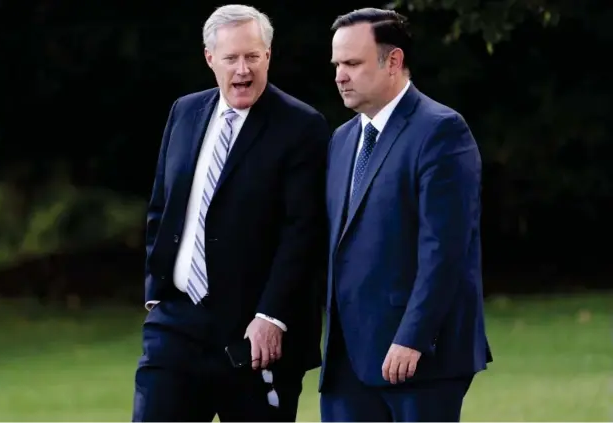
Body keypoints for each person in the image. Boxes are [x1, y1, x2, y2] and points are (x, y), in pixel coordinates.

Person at [131, 4, 329, 422]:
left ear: (268, 56)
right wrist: (157, 290)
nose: (243, 69)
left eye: (253, 57)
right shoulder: (184, 112)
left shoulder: (301, 127)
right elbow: (162, 208)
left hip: (254, 336)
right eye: (231, 58)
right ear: (210, 59)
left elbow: (304, 233)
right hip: (175, 325)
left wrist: (271, 316)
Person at [319, 8, 493, 422]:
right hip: (347, 362)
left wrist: (412, 338)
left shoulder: (441, 131)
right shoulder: (342, 140)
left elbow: (445, 250)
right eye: (337, 64)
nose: (341, 75)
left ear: (393, 61)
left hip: (419, 359)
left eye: (353, 63)